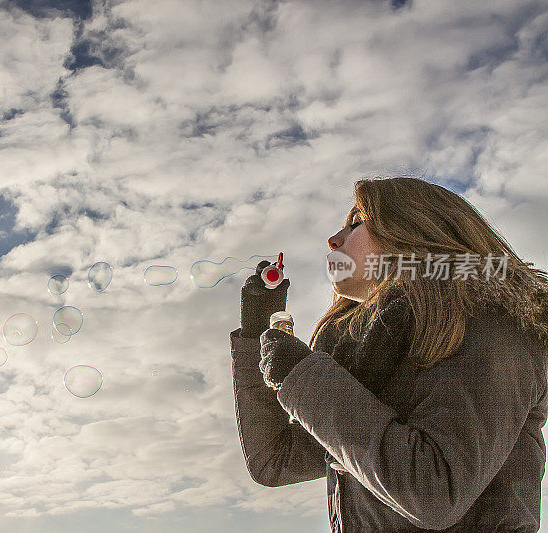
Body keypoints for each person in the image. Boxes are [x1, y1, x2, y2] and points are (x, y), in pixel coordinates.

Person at [231, 176, 548, 532]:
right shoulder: (369, 355)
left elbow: (436, 493)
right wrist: (258, 325)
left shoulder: (493, 324)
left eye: (356, 223)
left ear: (413, 229)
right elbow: (275, 459)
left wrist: (303, 377)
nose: (334, 240)